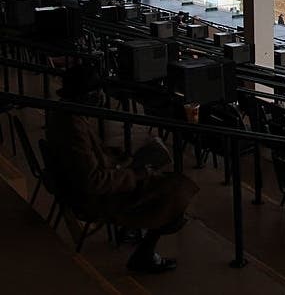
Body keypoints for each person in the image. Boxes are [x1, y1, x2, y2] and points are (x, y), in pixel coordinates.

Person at [46, 61, 199, 273]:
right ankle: (143, 254)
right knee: (176, 194)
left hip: (86, 186)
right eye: (96, 90)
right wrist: (134, 173)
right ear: (85, 94)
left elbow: (92, 160)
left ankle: (132, 233)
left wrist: (122, 160)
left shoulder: (66, 115)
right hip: (93, 199)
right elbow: (93, 181)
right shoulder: (73, 127)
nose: (100, 96)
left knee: (166, 182)